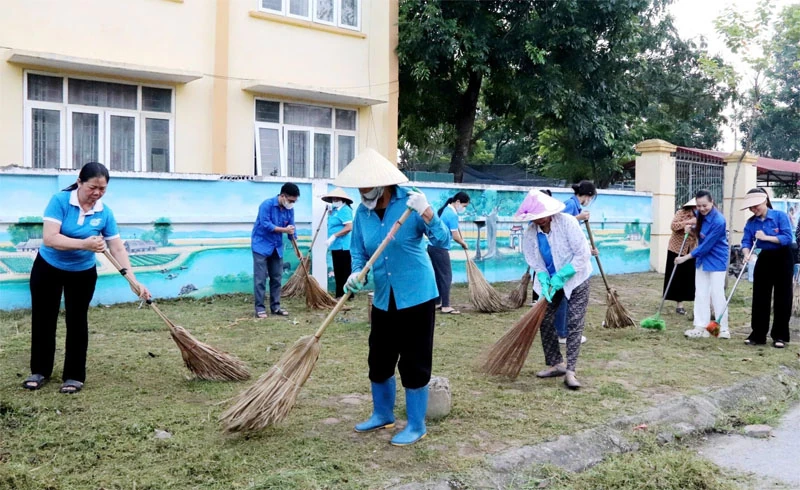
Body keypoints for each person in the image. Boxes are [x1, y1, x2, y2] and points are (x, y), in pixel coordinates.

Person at [335, 148, 449, 446]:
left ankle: (416, 425)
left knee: (414, 360)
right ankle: (382, 414)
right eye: (359, 189)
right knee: (379, 357)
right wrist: (355, 274)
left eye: (367, 188)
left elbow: (442, 240)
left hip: (417, 295)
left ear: (382, 183)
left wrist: (428, 212)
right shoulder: (362, 213)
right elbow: (358, 251)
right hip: (384, 297)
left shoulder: (411, 202)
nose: (363, 194)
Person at [23, 162, 151, 394]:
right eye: (93, 187)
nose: (97, 193)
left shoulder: (104, 212)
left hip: (82, 273)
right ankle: (40, 371)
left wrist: (134, 280)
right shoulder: (60, 201)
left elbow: (117, 247)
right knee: (44, 318)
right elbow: (50, 238)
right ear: (79, 182)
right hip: (48, 267)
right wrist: (85, 244)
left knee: (77, 320)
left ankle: (74, 376)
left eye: (102, 189)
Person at [519, 190, 593, 390]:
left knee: (574, 322)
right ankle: (556, 364)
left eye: (542, 215)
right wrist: (544, 278)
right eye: (535, 217)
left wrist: (563, 275)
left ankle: (570, 371)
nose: (540, 219)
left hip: (577, 278)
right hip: (551, 281)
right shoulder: (531, 233)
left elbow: (582, 254)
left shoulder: (567, 222)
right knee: (544, 318)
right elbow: (535, 260)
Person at [740, 188, 793, 348]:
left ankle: (780, 335)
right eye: (751, 207)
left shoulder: (780, 216)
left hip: (783, 257)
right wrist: (747, 253)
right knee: (760, 296)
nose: (753, 209)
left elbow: (787, 237)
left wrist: (766, 237)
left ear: (765, 201)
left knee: (783, 296)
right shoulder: (751, 222)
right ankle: (758, 334)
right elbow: (746, 241)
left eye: (755, 205)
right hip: (765, 257)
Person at [674, 190, 729, 339]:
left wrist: (685, 258)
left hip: (716, 259)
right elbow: (699, 233)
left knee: (717, 294)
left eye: (705, 205)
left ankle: (722, 329)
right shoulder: (699, 215)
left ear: (712, 202)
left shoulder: (719, 221)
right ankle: (700, 326)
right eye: (699, 206)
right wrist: (691, 229)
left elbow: (707, 245)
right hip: (702, 259)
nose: (702, 208)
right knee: (700, 293)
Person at [556, 181, 598, 345]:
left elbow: (574, 236)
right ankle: (563, 333)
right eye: (591, 198)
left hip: (570, 258)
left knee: (567, 296)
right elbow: (559, 225)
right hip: (565, 260)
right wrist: (578, 218)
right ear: (588, 195)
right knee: (565, 297)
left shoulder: (575, 205)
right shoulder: (570, 205)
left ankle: (564, 331)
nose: (589, 201)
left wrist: (588, 250)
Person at [252, 182, 299, 318]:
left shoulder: (289, 209)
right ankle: (260, 308)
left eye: (294, 201)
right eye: (291, 200)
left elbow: (291, 228)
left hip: (276, 247)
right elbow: (266, 225)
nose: (292, 203)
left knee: (277, 278)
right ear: (283, 196)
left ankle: (276, 307)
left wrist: (296, 247)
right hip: (261, 245)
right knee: (260, 279)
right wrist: (285, 230)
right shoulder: (266, 205)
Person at [429, 191, 471, 315]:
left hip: (432, 247)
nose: (464, 208)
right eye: (464, 206)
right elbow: (455, 236)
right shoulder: (452, 214)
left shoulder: (446, 211)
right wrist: (463, 243)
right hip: (440, 249)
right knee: (446, 276)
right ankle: (446, 306)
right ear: (457, 202)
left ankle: (437, 302)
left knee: (439, 276)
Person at [664, 199, 698, 315]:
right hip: (677, 248)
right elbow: (673, 226)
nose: (697, 209)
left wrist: (694, 229)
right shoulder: (681, 213)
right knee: (677, 276)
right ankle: (679, 305)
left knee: (689, 277)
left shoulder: (702, 216)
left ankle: (695, 303)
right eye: (695, 206)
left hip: (691, 250)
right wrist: (688, 222)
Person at [322, 187, 354, 299]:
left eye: (337, 199)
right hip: (335, 246)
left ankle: (347, 295)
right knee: (338, 271)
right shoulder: (336, 211)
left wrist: (334, 236)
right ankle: (340, 294)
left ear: (342, 199)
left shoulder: (346, 210)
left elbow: (349, 227)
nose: (334, 200)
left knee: (344, 271)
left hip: (343, 245)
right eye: (333, 199)